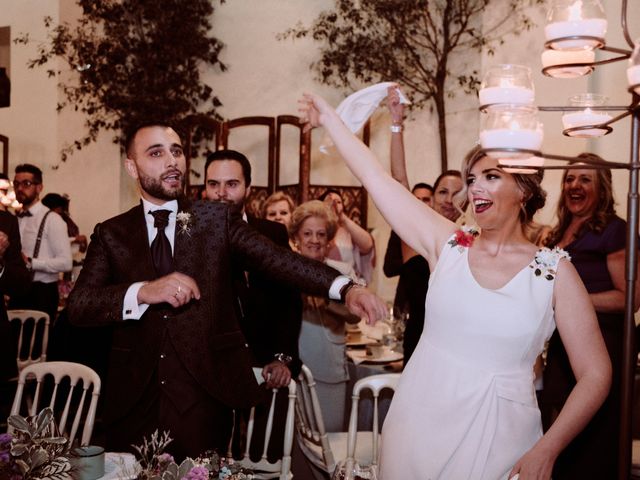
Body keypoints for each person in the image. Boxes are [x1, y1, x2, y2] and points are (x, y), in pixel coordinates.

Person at [299, 93, 611, 480]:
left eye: (491, 177)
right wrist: (329, 117)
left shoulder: (554, 273)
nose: (475, 189)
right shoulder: (446, 245)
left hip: (502, 440)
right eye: (472, 179)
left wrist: (548, 447)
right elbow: (376, 178)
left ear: (525, 189)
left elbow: (597, 373)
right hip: (419, 426)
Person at [66, 125, 386, 461]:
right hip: (132, 399)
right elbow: (80, 305)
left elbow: (279, 260)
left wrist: (345, 288)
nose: (172, 160)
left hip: (201, 396)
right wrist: (143, 291)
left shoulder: (214, 220)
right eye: (156, 153)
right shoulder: (112, 233)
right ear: (131, 166)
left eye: (176, 151)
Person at [540, 155, 640, 479]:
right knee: (560, 431)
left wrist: (573, 304)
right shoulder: (557, 234)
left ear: (603, 187)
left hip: (603, 345)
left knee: (594, 439)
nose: (575, 186)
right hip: (562, 348)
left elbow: (631, 298)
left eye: (585, 180)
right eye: (570, 179)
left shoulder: (615, 230)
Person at [289, 200, 361, 431]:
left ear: (329, 240)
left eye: (321, 234)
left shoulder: (342, 272)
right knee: (294, 443)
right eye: (307, 233)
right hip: (293, 368)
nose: (314, 240)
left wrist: (327, 302)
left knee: (329, 437)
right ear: (296, 239)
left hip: (329, 367)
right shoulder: (285, 268)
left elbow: (356, 316)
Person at [10, 164, 72, 325]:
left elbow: (66, 262)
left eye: (26, 184)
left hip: (42, 293)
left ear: (39, 188)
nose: (20, 188)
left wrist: (31, 263)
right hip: (17, 291)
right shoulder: (15, 218)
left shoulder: (52, 219)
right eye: (16, 184)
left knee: (37, 347)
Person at [318, 188, 375, 283]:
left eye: (338, 202)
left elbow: (368, 245)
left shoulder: (347, 232)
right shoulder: (315, 231)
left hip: (347, 282)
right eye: (330, 201)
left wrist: (342, 217)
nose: (334, 204)